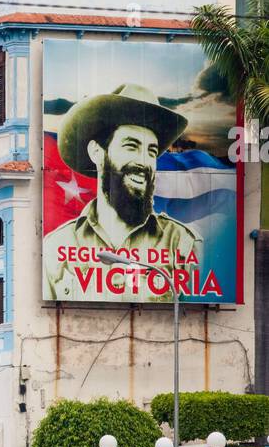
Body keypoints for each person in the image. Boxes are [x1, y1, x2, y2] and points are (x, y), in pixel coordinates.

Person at [43, 84, 203, 303]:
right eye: (131, 146)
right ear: (97, 153)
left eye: (151, 151)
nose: (144, 162)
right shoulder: (57, 246)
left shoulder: (181, 244)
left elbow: (191, 317)